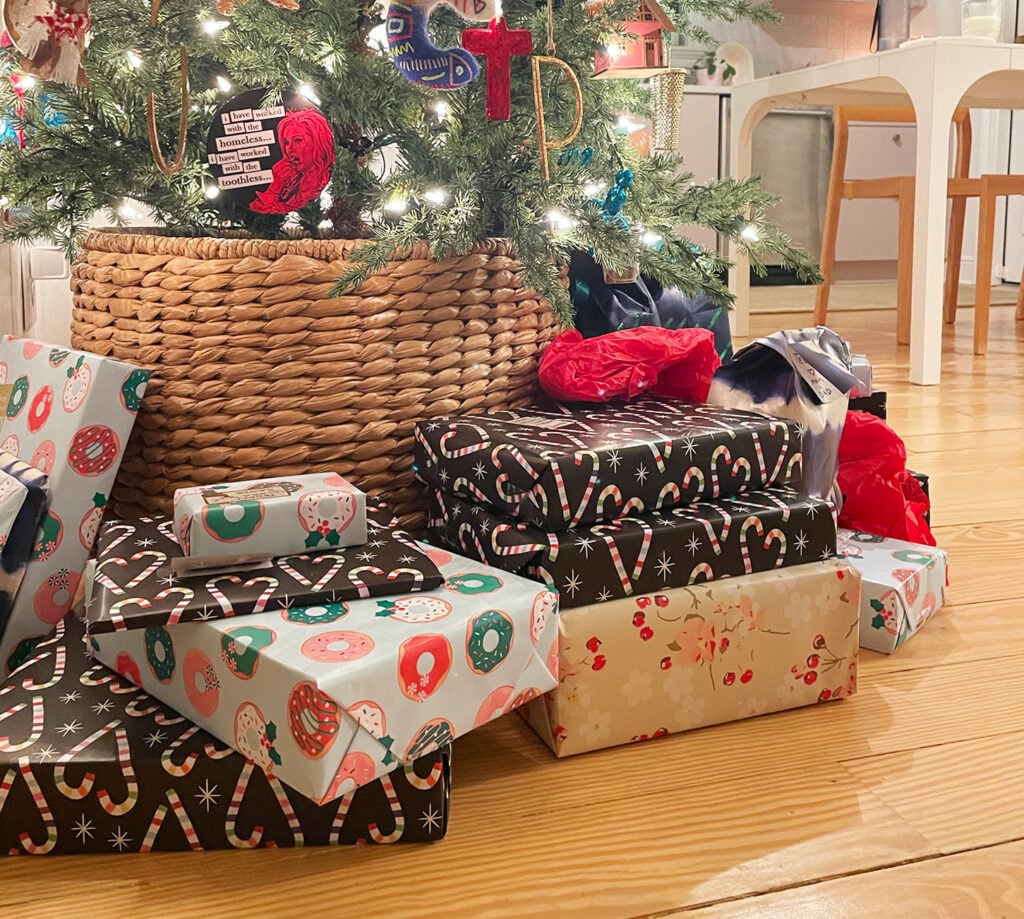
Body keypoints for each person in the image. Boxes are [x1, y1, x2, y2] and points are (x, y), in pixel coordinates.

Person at [251, 107, 335, 214]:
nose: (289, 149)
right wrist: (275, 185)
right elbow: (258, 208)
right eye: (286, 142)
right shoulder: (291, 181)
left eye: (298, 140)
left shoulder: (329, 183)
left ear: (317, 142)